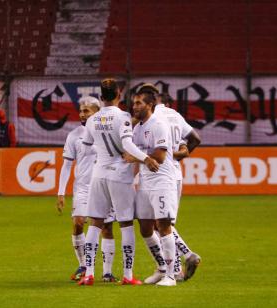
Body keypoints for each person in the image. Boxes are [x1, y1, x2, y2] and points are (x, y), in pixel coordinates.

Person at [78, 78, 159, 286]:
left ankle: (88, 274)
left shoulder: (92, 120)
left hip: (98, 174)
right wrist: (145, 158)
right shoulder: (123, 116)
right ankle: (128, 275)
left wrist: (103, 151)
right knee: (125, 223)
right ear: (118, 95)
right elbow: (127, 144)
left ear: (101, 97)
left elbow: (86, 147)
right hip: (119, 175)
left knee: (95, 223)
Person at [56, 96, 118, 283]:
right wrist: (61, 192)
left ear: (97, 112)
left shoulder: (108, 132)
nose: (82, 114)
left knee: (106, 227)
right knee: (78, 223)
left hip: (104, 185)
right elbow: (67, 165)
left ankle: (107, 272)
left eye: (87, 111)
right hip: (82, 187)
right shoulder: (73, 135)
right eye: (81, 111)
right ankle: (84, 264)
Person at [144, 85, 202, 282]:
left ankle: (185, 257)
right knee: (164, 223)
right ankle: (175, 270)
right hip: (175, 174)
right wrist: (178, 157)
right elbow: (195, 139)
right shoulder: (176, 115)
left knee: (161, 224)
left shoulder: (155, 117)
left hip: (159, 173)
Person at [126, 85, 179, 286]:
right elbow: (140, 157)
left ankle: (172, 276)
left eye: (139, 103)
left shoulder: (158, 124)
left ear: (150, 105)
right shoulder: (138, 127)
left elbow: (160, 155)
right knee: (145, 228)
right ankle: (161, 268)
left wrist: (135, 157)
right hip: (146, 183)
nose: (135, 106)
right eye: (134, 103)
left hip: (162, 182)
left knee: (164, 226)